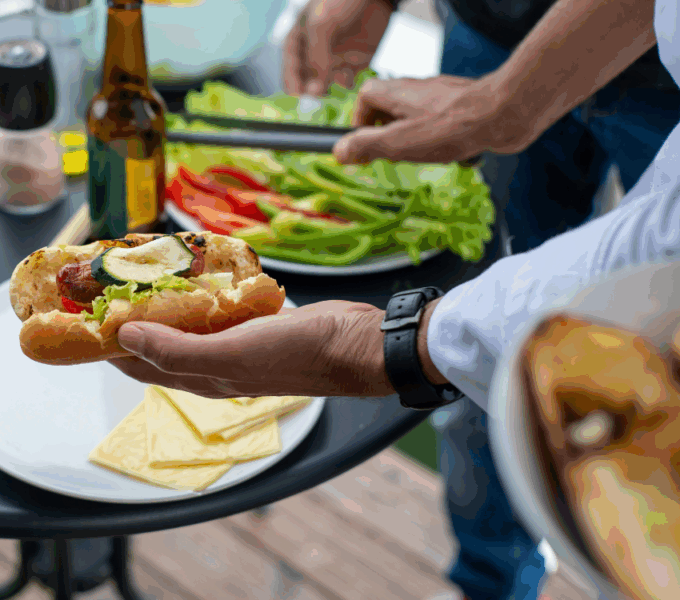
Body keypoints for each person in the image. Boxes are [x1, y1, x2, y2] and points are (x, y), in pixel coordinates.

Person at [110, 0, 680, 599]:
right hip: (491, 27)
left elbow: (657, 259)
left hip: (659, 87)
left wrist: (384, 346)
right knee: (484, 393)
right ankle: (488, 584)